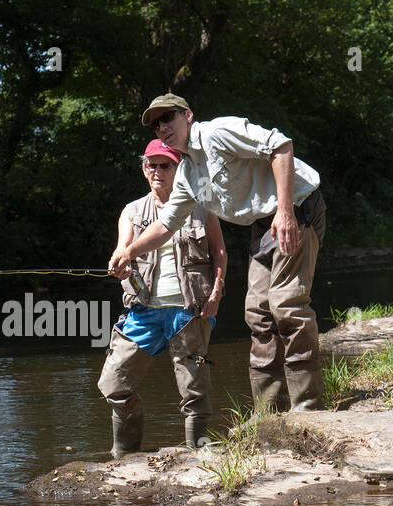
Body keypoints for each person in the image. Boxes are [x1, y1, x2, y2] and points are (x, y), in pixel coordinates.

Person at [109, 94, 326, 411]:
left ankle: (308, 408)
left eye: (168, 117)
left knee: (286, 304)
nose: (162, 127)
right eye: (156, 124)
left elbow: (281, 146)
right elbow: (166, 225)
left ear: (187, 115)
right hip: (264, 224)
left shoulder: (217, 132)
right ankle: (269, 413)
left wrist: (285, 211)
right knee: (258, 313)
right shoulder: (186, 174)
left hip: (297, 207)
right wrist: (128, 251)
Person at [99, 137, 227, 456]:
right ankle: (124, 457)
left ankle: (199, 458)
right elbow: (122, 248)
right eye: (151, 164)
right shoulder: (131, 212)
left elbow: (220, 252)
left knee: (194, 391)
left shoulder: (202, 205)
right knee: (114, 384)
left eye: (165, 164)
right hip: (143, 311)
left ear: (178, 167)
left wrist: (217, 291)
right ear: (144, 170)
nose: (157, 170)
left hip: (189, 311)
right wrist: (121, 264)